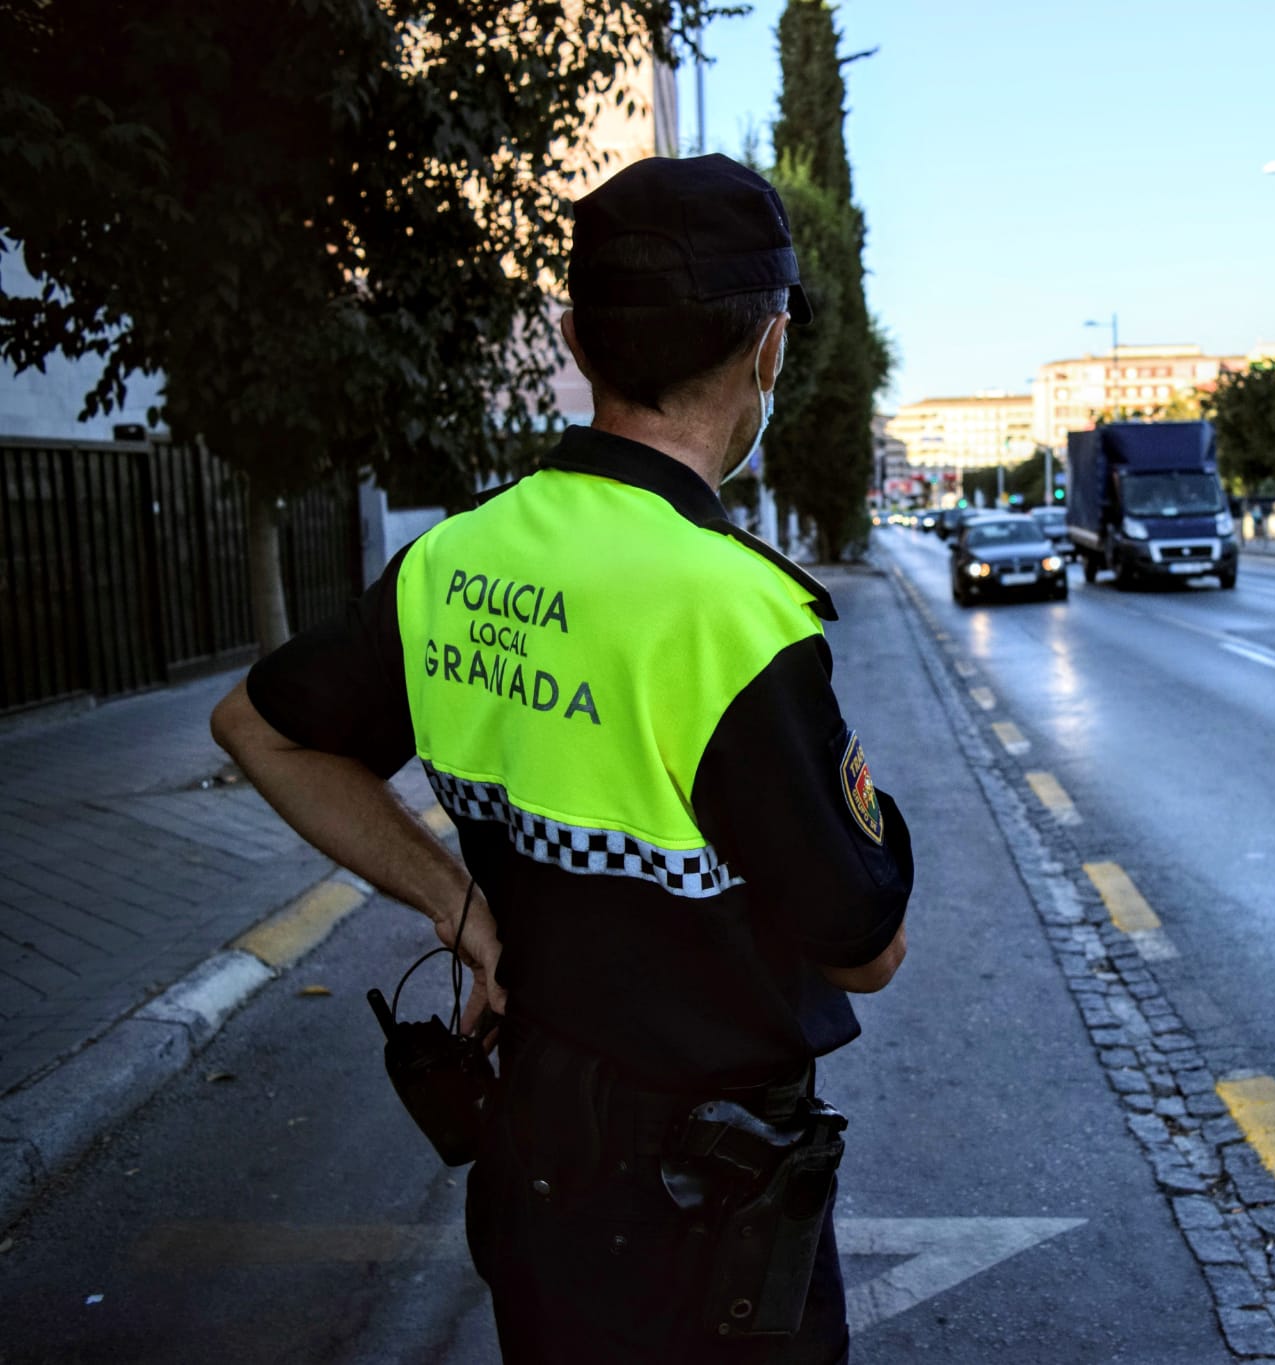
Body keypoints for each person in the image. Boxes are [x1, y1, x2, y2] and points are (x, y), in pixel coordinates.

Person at [210, 154, 913, 1364]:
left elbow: (258, 726)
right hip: (712, 1206)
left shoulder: (454, 558)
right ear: (770, 351)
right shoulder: (728, 613)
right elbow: (866, 954)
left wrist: (458, 901)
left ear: (582, 344)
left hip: (537, 1157)